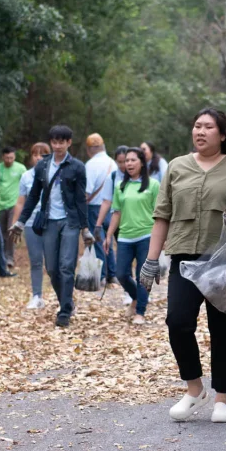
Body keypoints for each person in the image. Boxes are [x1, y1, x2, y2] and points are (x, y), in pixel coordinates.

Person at [138, 108, 226, 424]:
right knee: (178, 322)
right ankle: (194, 389)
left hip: (225, 258)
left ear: (222, 134)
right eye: (197, 126)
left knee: (223, 328)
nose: (200, 131)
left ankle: (222, 399)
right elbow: (162, 215)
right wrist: (151, 260)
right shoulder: (176, 167)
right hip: (184, 257)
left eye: (208, 127)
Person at [10, 127, 94, 327]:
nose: (57, 146)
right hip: (48, 221)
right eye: (54, 142)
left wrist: (85, 228)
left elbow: (81, 200)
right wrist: (20, 221)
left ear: (69, 143)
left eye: (61, 142)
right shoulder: (43, 166)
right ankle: (67, 302)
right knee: (52, 268)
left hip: (70, 221)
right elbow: (33, 196)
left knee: (66, 266)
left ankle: (64, 311)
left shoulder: (77, 167)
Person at [104, 148, 160, 325]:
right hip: (125, 237)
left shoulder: (153, 185)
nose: (128, 163)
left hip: (146, 235)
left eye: (133, 160)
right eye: (126, 160)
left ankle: (140, 312)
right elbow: (116, 213)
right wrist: (108, 235)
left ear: (142, 163)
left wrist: (162, 237)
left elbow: (159, 213)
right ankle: (137, 298)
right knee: (121, 274)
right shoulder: (120, 186)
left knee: (142, 275)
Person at [11, 142, 51, 309]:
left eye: (42, 154)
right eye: (35, 154)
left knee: (53, 263)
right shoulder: (26, 176)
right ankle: (36, 296)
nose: (38, 158)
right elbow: (21, 202)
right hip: (31, 222)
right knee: (35, 260)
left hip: (51, 221)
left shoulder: (55, 173)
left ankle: (63, 296)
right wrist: (16, 222)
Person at [95, 147, 133, 306]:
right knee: (126, 258)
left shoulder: (141, 176)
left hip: (139, 223)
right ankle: (129, 292)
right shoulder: (112, 177)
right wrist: (98, 224)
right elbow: (106, 201)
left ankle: (143, 290)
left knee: (141, 258)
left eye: (126, 161)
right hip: (119, 223)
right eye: (120, 162)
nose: (124, 165)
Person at [85, 134, 118, 284]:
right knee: (108, 240)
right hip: (111, 207)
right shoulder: (112, 163)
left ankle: (102, 275)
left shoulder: (90, 165)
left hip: (94, 208)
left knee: (97, 240)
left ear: (89, 149)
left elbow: (87, 190)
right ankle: (112, 273)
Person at [0, 147, 27, 272]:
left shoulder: (20, 168)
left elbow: (26, 183)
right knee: (1, 233)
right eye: (7, 158)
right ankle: (2, 256)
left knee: (11, 230)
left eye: (11, 158)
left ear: (14, 157)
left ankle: (9, 257)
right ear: (3, 157)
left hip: (14, 204)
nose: (9, 160)